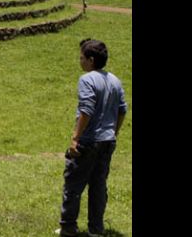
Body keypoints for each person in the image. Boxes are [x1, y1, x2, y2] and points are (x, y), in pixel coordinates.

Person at [56, 39, 128, 237]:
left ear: (91, 60)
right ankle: (96, 230)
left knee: (73, 185)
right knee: (98, 186)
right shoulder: (115, 80)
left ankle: (68, 228)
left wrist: (74, 138)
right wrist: (114, 131)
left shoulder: (87, 80)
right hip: (108, 141)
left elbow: (86, 111)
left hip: (88, 142)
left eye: (81, 58)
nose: (80, 61)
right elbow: (123, 109)